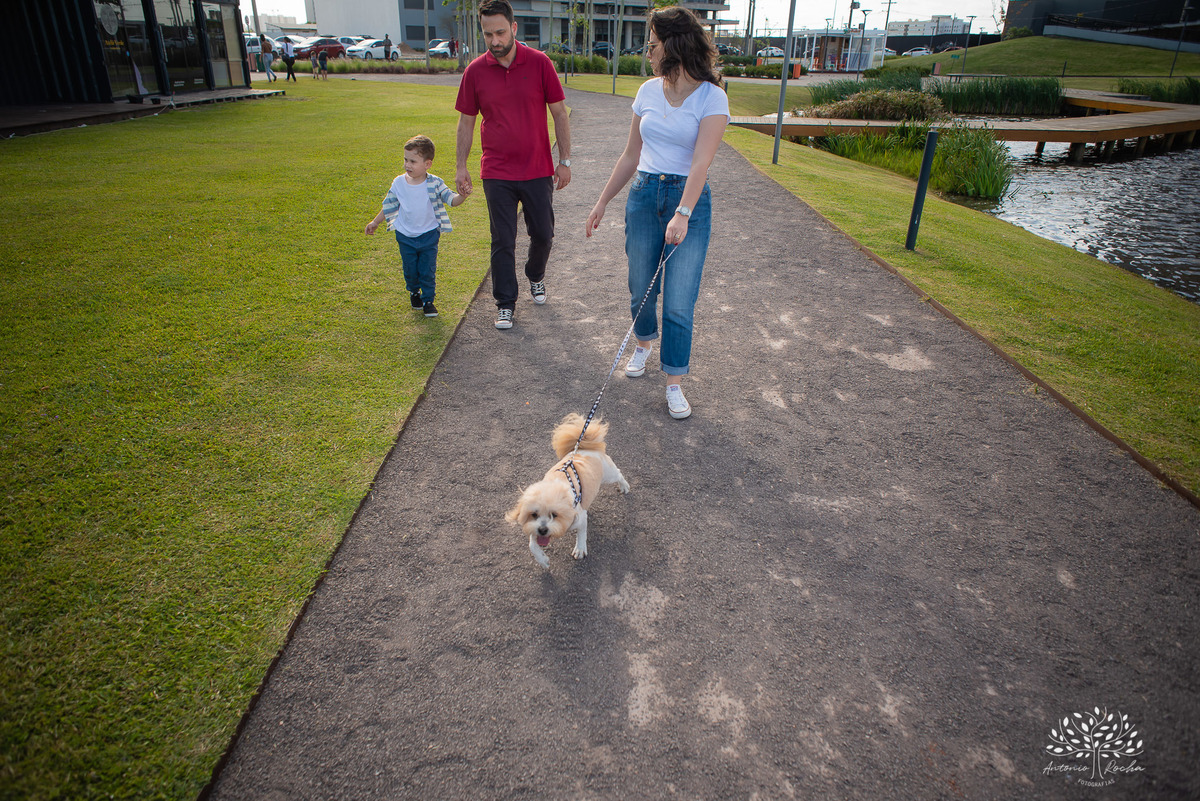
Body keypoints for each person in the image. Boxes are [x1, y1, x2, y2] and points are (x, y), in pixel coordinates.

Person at [584, 6, 729, 420]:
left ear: (673, 45)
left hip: (689, 202)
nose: (647, 53)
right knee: (639, 285)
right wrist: (602, 201)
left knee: (680, 299)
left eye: (652, 45)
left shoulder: (711, 97)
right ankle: (643, 342)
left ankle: (674, 382)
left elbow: (701, 163)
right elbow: (631, 155)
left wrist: (682, 212)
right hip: (644, 195)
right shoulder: (647, 91)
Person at [455, 0, 571, 331]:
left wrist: (564, 160)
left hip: (537, 169)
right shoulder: (475, 71)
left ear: (514, 28)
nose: (494, 40)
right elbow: (466, 122)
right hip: (497, 172)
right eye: (488, 34)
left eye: (500, 32)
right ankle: (505, 302)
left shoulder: (539, 63)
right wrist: (461, 166)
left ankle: (535, 275)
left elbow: (559, 113)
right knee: (502, 239)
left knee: (543, 234)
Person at [365, 135, 467, 318]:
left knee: (427, 269)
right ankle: (414, 292)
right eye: (405, 160)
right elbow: (389, 205)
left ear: (427, 164)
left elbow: (451, 200)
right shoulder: (398, 183)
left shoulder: (435, 183)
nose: (407, 165)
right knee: (410, 270)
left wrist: (463, 196)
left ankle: (428, 301)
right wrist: (375, 222)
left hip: (429, 235)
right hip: (405, 236)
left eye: (413, 161)